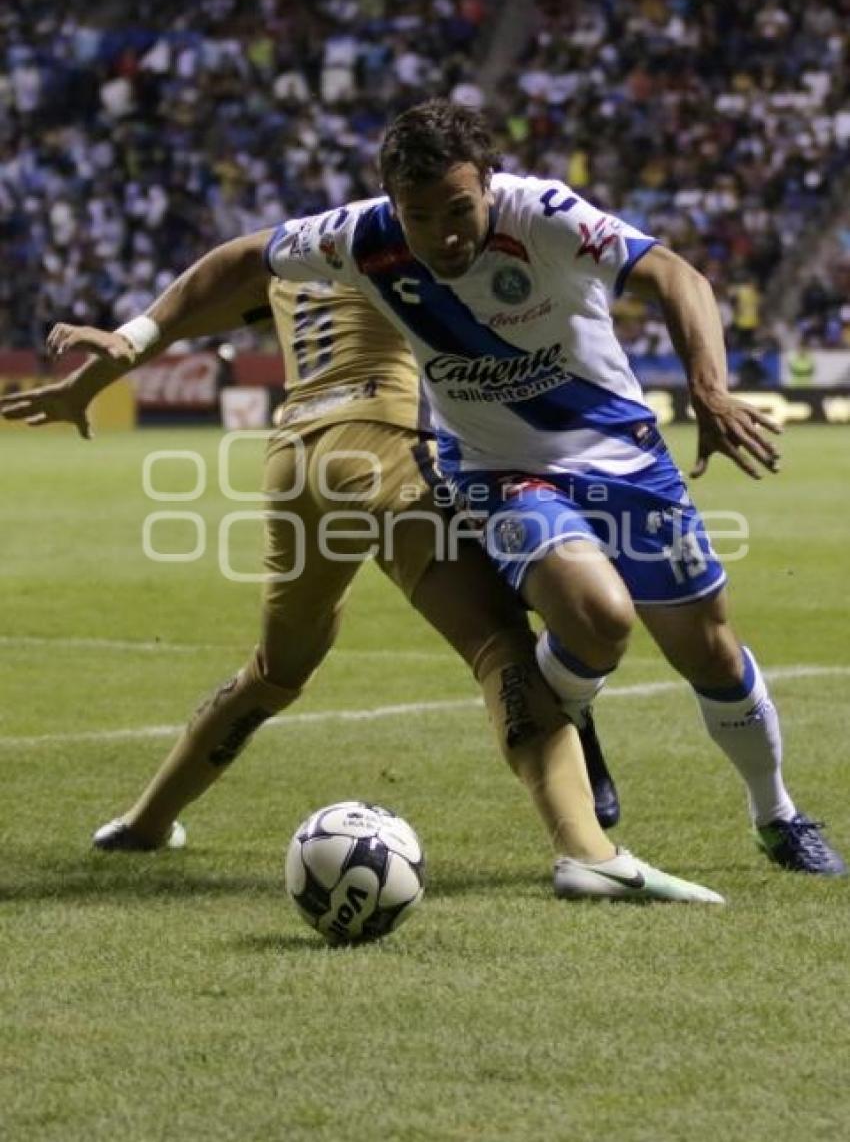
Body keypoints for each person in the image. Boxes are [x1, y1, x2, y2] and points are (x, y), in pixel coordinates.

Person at [17, 96, 843, 877]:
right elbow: (240, 262)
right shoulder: (361, 238)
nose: (443, 237)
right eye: (420, 217)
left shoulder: (546, 214)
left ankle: (776, 813)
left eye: (458, 211)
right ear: (390, 202)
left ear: (489, 183)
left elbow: (677, 275)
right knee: (586, 620)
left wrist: (708, 386)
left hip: (617, 451)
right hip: (492, 468)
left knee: (709, 651)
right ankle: (580, 807)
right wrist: (128, 344)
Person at [1, 274, 723, 904]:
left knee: (276, 670)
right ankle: (588, 853)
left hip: (296, 461)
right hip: (382, 444)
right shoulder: (399, 244)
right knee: (499, 642)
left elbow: (201, 296)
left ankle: (145, 823)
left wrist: (102, 368)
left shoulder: (290, 261)